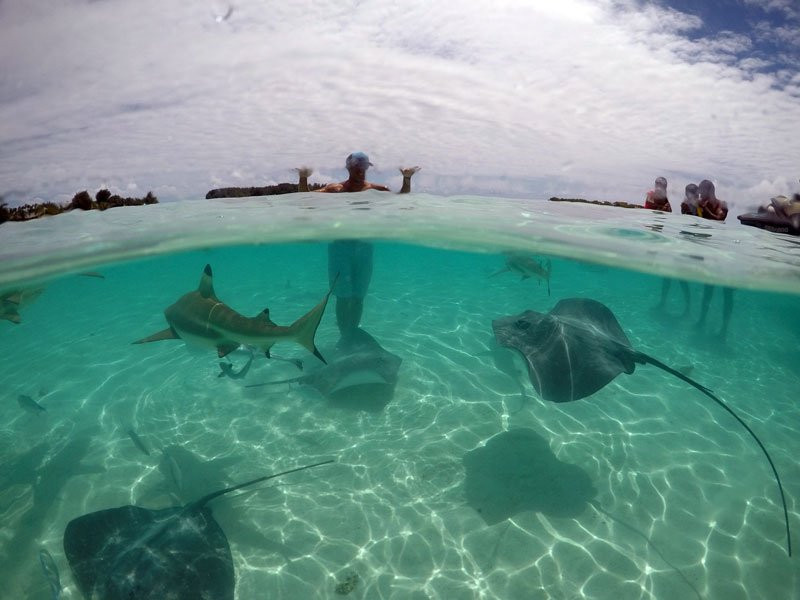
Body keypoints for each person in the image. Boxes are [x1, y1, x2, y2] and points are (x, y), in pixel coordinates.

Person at [296, 153, 420, 335]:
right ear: (348, 167)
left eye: (364, 166)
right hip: (340, 248)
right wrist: (303, 178)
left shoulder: (376, 190)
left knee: (359, 295)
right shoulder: (335, 190)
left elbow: (401, 198)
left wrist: (406, 179)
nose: (361, 170)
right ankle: (343, 333)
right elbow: (305, 199)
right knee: (342, 295)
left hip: (364, 248)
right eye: (357, 166)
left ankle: (351, 333)